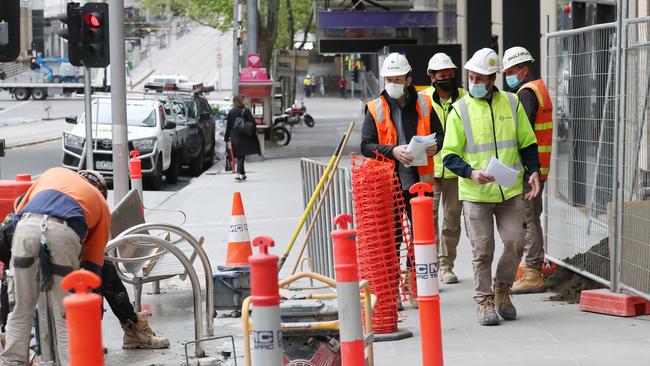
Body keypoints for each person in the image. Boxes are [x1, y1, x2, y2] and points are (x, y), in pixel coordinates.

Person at [441, 48, 540, 326]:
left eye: (478, 77)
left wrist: (533, 171)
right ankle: (484, 300)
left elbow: (527, 142)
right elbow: (449, 155)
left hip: (509, 190)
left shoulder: (511, 103)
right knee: (482, 249)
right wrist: (471, 172)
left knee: (515, 242)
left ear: (491, 79)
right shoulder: (460, 110)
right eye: (470, 76)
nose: (473, 81)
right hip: (475, 193)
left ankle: (502, 288)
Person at [0, 168, 111, 365]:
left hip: (25, 230)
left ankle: (12, 362)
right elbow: (93, 266)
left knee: (21, 308)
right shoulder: (100, 204)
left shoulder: (53, 173)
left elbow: (18, 210)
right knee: (65, 315)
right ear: (102, 191)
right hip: (63, 234)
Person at [361, 52, 445, 307]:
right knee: (392, 238)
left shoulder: (424, 104)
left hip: (419, 184)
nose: (393, 83)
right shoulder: (375, 107)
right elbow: (365, 146)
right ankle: (392, 292)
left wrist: (435, 146)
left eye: (398, 79)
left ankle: (415, 286)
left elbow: (439, 135)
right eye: (389, 79)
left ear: (409, 79)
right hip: (389, 184)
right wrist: (392, 151)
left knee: (420, 239)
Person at [502, 46, 553, 294]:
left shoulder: (526, 93)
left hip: (528, 169)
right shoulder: (538, 88)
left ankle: (533, 271)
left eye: (511, 71)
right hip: (539, 167)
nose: (508, 76)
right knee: (532, 216)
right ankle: (532, 266)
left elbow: (522, 135)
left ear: (523, 69)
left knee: (528, 217)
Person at [420, 53, 466, 285]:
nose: (447, 78)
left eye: (450, 75)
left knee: (451, 220)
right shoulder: (422, 100)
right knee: (428, 219)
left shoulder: (465, 98)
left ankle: (446, 265)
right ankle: (430, 266)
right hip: (430, 169)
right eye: (442, 75)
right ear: (432, 77)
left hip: (456, 171)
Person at [225, 95, 262, 181]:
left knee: (239, 154)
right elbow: (253, 123)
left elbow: (228, 126)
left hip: (234, 135)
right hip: (244, 135)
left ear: (234, 102)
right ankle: (238, 174)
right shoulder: (246, 111)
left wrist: (226, 137)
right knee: (241, 155)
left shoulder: (231, 112)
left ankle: (243, 173)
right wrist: (252, 132)